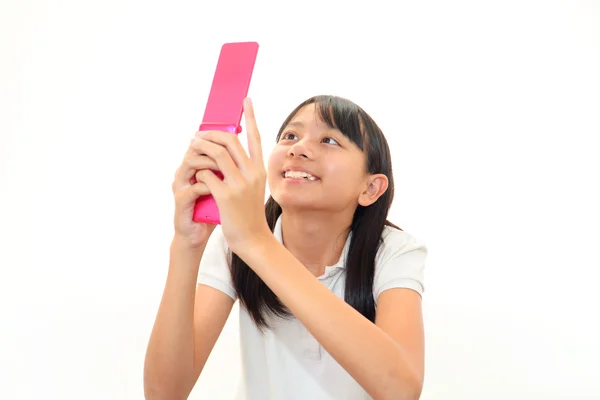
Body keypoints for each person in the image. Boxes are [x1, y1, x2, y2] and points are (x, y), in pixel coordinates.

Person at [144, 95, 428, 400]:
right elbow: (164, 394)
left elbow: (401, 390)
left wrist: (257, 243)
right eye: (290, 135)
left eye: (330, 140)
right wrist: (187, 244)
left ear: (370, 188)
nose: (298, 148)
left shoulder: (393, 251)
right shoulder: (235, 243)